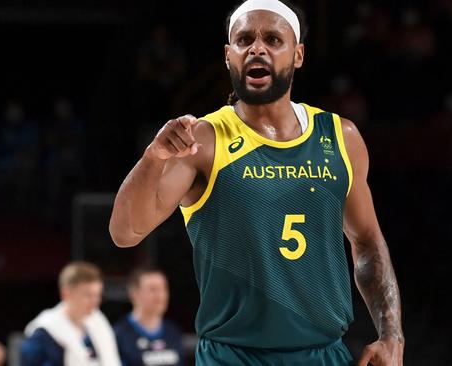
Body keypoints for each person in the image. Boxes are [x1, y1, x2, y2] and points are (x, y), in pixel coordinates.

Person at [109, 0, 405, 365]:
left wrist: (392, 334)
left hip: (324, 354)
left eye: (273, 39)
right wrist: (153, 157)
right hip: (234, 356)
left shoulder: (340, 137)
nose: (257, 48)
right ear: (228, 56)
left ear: (298, 55)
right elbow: (125, 232)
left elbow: (367, 242)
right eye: (244, 39)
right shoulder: (205, 138)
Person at [20, 262, 120, 366]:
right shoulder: (44, 333)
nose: (95, 301)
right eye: (88, 295)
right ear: (66, 294)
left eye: (97, 295)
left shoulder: (98, 322)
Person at [113, 267, 184, 366]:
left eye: (163, 289)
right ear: (134, 294)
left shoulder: (173, 332)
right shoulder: (119, 334)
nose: (160, 296)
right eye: (152, 289)